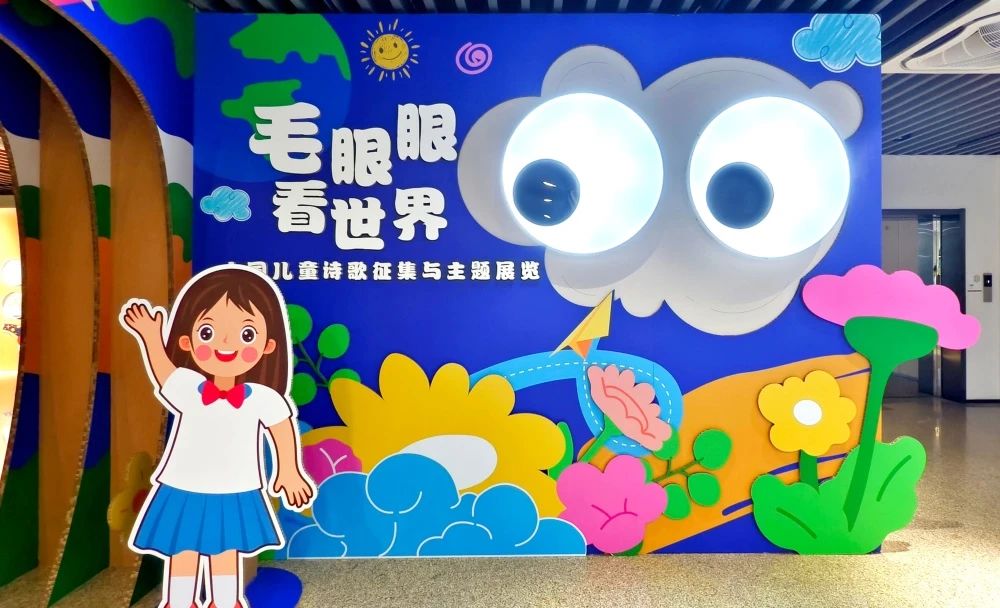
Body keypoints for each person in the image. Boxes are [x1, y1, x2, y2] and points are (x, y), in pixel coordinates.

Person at [120, 265, 315, 608]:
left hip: (236, 487)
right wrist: (150, 337)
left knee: (226, 550)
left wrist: (289, 470)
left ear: (268, 345)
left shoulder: (263, 397)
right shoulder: (189, 387)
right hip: (183, 486)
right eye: (208, 332)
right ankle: (179, 601)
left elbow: (281, 427)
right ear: (187, 341)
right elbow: (164, 372)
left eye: (247, 334)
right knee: (183, 548)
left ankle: (225, 601)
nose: (226, 344)